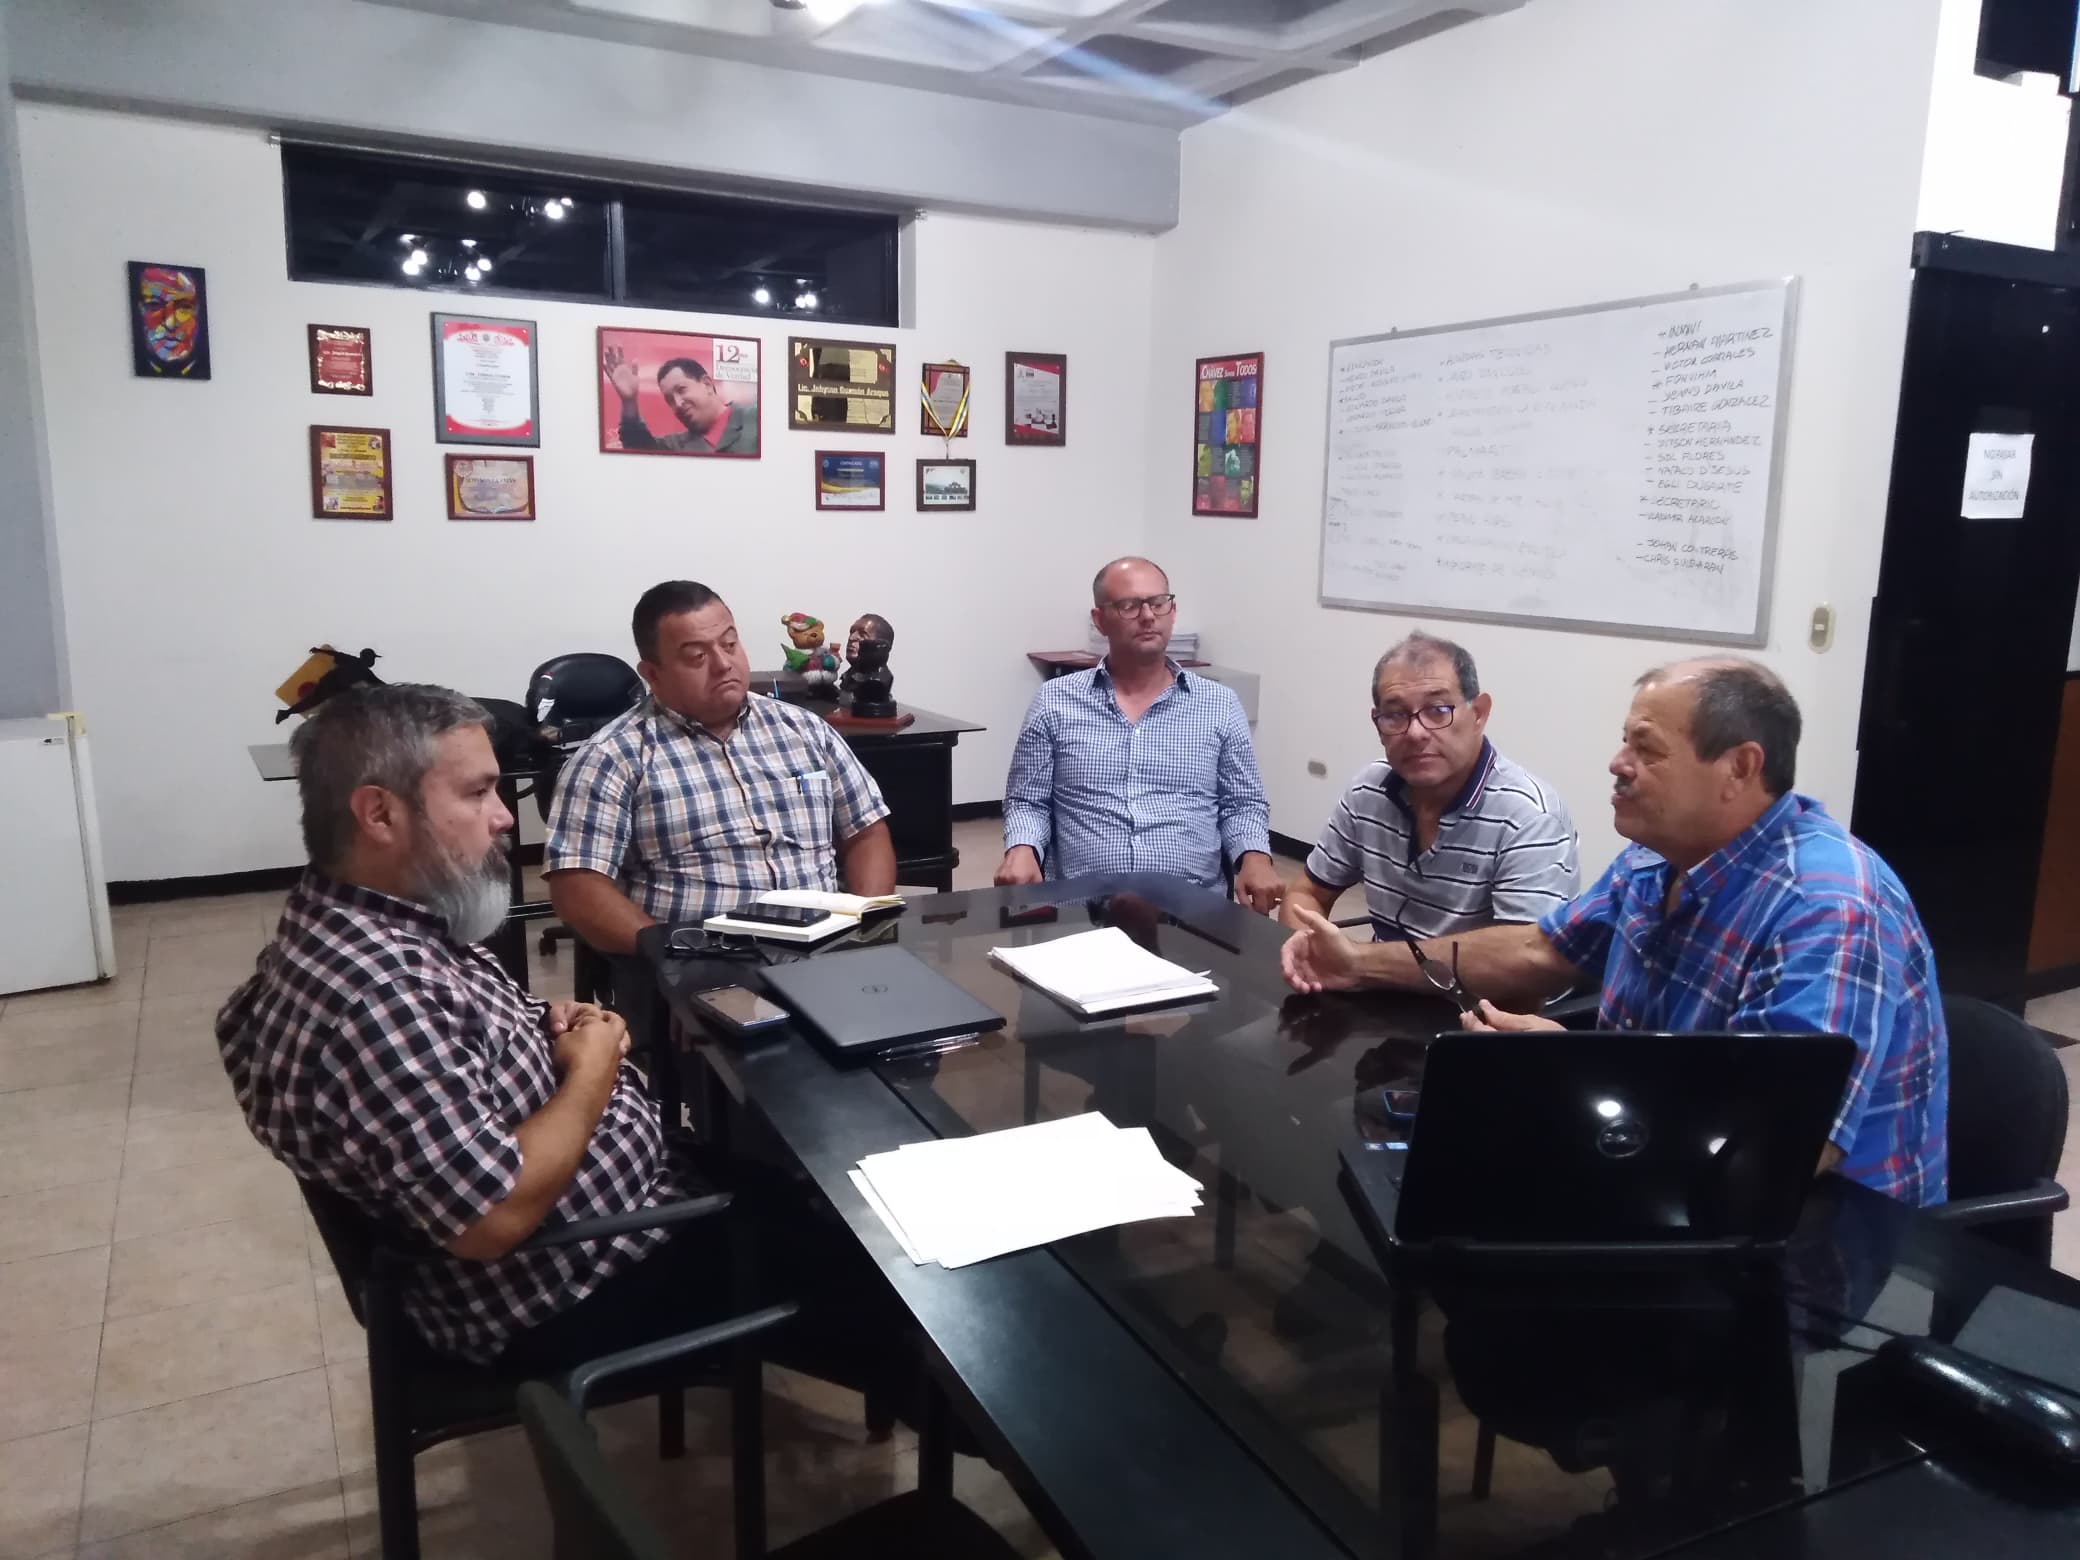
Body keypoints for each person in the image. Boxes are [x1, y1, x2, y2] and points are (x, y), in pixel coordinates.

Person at [215, 683, 887, 1375]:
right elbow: (492, 1218)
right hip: (575, 1282)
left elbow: (448, 1055)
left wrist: (545, 1027)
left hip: (616, 1215)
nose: (504, 817)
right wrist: (592, 1067)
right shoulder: (378, 993)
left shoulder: (366, 923)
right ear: (379, 814)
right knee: (890, 1278)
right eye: (477, 794)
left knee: (833, 1201)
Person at [1281, 657, 1949, 1207]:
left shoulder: (1828, 905)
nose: (1617, 762)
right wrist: (1359, 964)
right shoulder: (1654, 859)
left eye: (1646, 749)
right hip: (1653, 1155)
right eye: (1626, 741)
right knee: (1394, 1176)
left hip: (1813, 1230)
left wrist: (1575, 1074)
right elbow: (1537, 950)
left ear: (1741, 768)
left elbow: (1781, 1149)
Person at [547, 580, 894, 954]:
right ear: (653, 674)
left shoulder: (805, 729)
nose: (723, 664)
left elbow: (867, 833)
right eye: (698, 656)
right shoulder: (611, 758)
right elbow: (577, 888)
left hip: (826, 952)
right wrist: (673, 954)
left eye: (730, 644)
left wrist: (864, 930)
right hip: (701, 961)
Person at [997, 557, 1283, 911]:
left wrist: (1255, 856)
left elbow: (1243, 803)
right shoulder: (1055, 701)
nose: (1148, 616)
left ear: (1172, 611)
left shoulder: (1219, 705)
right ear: (1100, 620)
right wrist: (1022, 848)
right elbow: (1028, 801)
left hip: (1190, 910)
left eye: (1158, 603)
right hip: (1083, 911)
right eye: (1129, 606)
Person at [1279, 632, 1577, 941]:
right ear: (1378, 725)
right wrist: (1307, 951)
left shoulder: (1530, 817)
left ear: (1478, 714)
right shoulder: (1367, 791)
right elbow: (1305, 894)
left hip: (1457, 978)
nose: (1415, 733)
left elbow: (1521, 959)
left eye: (1438, 710)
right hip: (1371, 970)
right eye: (1395, 715)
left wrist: (1359, 962)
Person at [602, 343, 759, 455]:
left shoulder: (757, 418)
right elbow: (637, 445)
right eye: (670, 400)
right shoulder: (676, 445)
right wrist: (629, 400)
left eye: (682, 390)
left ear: (707, 384)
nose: (678, 403)